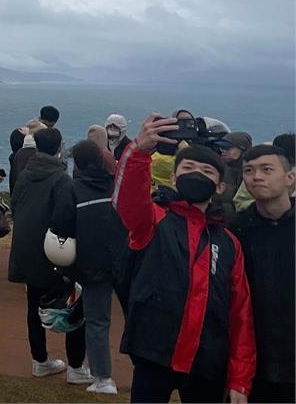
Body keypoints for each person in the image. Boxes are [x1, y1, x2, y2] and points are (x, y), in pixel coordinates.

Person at [113, 115, 255, 403]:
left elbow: (241, 313)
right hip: (153, 354)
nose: (197, 174)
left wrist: (240, 378)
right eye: (188, 167)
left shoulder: (229, 243)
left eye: (207, 170)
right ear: (174, 178)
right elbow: (127, 200)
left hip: (207, 361)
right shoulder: (153, 219)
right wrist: (139, 151)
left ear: (220, 187)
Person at [8, 128, 92, 384]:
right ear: (59, 148)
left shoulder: (24, 175)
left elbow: (16, 205)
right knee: (75, 307)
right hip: (54, 252)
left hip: (26, 250)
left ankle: (40, 361)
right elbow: (65, 218)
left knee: (34, 307)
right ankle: (76, 367)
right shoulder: (61, 179)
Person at [50, 140, 128, 394]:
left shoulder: (73, 189)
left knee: (97, 322)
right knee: (138, 318)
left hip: (92, 265)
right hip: (127, 261)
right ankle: (153, 373)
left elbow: (60, 226)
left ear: (78, 164)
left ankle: (104, 379)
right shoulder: (117, 186)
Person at [231, 144, 295, 403]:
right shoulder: (236, 229)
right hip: (255, 356)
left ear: (289, 177)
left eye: (266, 169)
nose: (256, 176)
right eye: (249, 170)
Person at [218, 132, 252, 221]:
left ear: (243, 149)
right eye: (221, 148)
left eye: (227, 148)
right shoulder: (219, 169)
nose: (223, 151)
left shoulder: (254, 172)